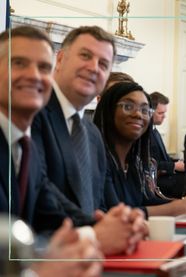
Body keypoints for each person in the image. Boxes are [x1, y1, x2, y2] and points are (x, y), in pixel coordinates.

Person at [31, 26, 147, 255]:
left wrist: (122, 220)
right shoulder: (34, 113)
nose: (94, 67)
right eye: (85, 55)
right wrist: (95, 231)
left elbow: (99, 204)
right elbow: (40, 192)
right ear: (60, 59)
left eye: (103, 64)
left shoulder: (93, 135)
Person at [0, 26, 102, 276]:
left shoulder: (28, 148)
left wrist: (106, 226)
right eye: (19, 63)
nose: (34, 76)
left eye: (44, 68)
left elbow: (52, 216)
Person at [93, 82, 186, 217]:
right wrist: (180, 207)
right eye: (128, 107)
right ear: (108, 110)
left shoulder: (134, 162)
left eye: (145, 110)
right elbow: (115, 214)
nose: (138, 114)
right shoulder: (97, 159)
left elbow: (145, 202)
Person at [149, 92, 186, 198]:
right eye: (160, 113)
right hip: (157, 181)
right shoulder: (144, 135)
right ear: (150, 112)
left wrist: (178, 162)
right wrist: (174, 166)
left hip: (165, 176)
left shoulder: (155, 131)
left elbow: (163, 158)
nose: (164, 116)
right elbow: (148, 163)